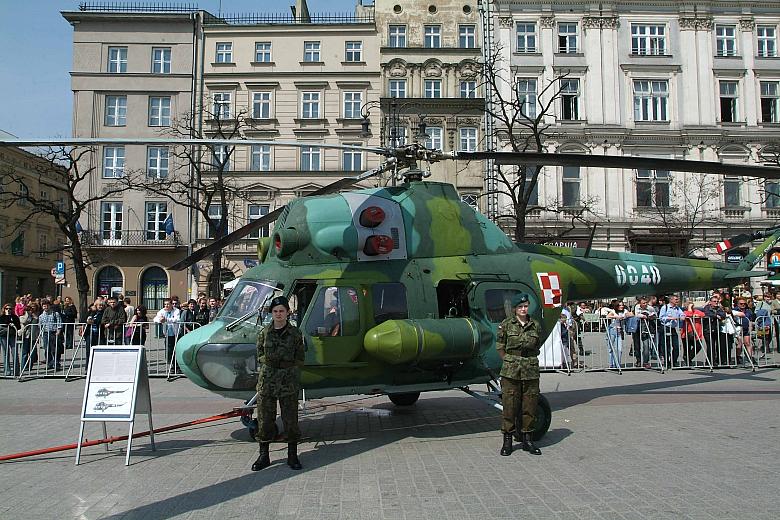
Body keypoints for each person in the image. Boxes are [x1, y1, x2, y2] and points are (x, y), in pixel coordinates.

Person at [252, 296, 305, 471]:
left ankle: (292, 455)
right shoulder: (264, 333)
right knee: (265, 419)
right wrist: (270, 363)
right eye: (275, 311)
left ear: (288, 312)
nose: (279, 314)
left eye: (282, 311)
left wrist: (287, 368)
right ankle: (263, 455)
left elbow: (300, 356)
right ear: (271, 313)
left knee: (290, 419)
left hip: (288, 381)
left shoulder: (296, 333)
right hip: (267, 381)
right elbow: (259, 353)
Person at [496, 293, 542, 456]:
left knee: (529, 406)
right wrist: (509, 360)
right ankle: (507, 440)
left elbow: (537, 346)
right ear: (515, 309)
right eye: (520, 307)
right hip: (511, 371)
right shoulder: (506, 324)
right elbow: (500, 346)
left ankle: (527, 439)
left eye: (525, 306)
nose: (523, 309)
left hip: (530, 369)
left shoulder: (535, 325)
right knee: (510, 406)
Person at [699, 294, 727, 366]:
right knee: (711, 345)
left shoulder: (719, 308)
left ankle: (719, 360)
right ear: (710, 302)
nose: (716, 303)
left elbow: (723, 314)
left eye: (717, 301)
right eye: (714, 301)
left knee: (719, 345)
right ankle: (710, 361)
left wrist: (717, 315)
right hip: (708, 329)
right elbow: (707, 313)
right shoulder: (707, 307)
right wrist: (716, 316)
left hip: (717, 329)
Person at [658, 295, 685, 367]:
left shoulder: (677, 308)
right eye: (676, 299)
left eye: (677, 299)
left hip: (673, 328)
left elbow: (682, 314)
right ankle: (667, 362)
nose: (677, 301)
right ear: (671, 300)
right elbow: (661, 317)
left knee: (676, 346)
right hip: (665, 327)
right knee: (666, 346)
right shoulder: (665, 307)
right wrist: (669, 318)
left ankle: (674, 361)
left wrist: (682, 316)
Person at [632, 296, 657, 368]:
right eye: (643, 303)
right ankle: (638, 361)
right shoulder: (637, 307)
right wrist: (644, 315)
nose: (645, 304)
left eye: (646, 303)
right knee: (637, 346)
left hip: (646, 328)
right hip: (637, 328)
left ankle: (645, 362)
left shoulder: (650, 308)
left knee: (646, 346)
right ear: (640, 303)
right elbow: (637, 314)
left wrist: (650, 316)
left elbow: (654, 314)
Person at [606, 301, 632, 369]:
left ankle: (617, 364)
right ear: (616, 306)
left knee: (619, 349)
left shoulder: (625, 311)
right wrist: (616, 317)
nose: (621, 306)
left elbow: (631, 314)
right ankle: (611, 364)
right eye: (620, 305)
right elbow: (608, 316)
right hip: (612, 329)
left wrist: (625, 316)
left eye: (622, 305)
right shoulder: (613, 311)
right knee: (611, 348)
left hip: (620, 331)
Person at [153, 299, 180, 363]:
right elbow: (155, 319)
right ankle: (170, 362)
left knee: (175, 349)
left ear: (171, 305)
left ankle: (176, 364)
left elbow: (177, 319)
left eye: (168, 304)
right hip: (167, 333)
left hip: (175, 333)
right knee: (169, 349)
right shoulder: (162, 311)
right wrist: (160, 320)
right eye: (165, 304)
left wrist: (166, 319)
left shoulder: (176, 310)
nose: (166, 306)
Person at [39, 300, 63, 371]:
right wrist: (41, 334)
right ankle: (49, 363)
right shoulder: (41, 316)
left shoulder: (55, 314)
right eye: (44, 306)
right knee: (47, 349)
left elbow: (59, 322)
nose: (45, 307)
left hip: (54, 333)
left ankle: (56, 363)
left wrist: (58, 331)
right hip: (46, 333)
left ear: (49, 306)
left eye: (47, 305)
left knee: (55, 349)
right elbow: (40, 325)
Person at [681, 301, 705, 366]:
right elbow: (688, 315)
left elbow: (703, 314)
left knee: (698, 346)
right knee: (687, 348)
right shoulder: (685, 312)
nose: (691, 307)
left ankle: (688, 359)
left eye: (692, 306)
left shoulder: (696, 311)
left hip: (697, 333)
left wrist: (698, 315)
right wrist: (689, 309)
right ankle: (687, 361)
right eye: (689, 306)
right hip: (687, 334)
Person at [1, 304, 22, 376]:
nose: (8, 310)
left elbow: (18, 327)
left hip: (13, 336)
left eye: (10, 309)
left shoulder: (15, 317)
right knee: (6, 354)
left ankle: (16, 372)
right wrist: (7, 319)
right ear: (4, 309)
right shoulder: (1, 317)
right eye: (7, 309)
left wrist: (13, 324)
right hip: (3, 337)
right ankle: (7, 371)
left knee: (15, 353)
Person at [20, 303, 40, 370]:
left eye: (33, 307)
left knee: (32, 353)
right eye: (30, 308)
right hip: (26, 336)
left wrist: (35, 317)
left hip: (33, 336)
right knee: (25, 352)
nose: (32, 309)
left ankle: (30, 366)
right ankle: (23, 366)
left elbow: (39, 325)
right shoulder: (23, 316)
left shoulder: (36, 316)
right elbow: (23, 321)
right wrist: (27, 315)